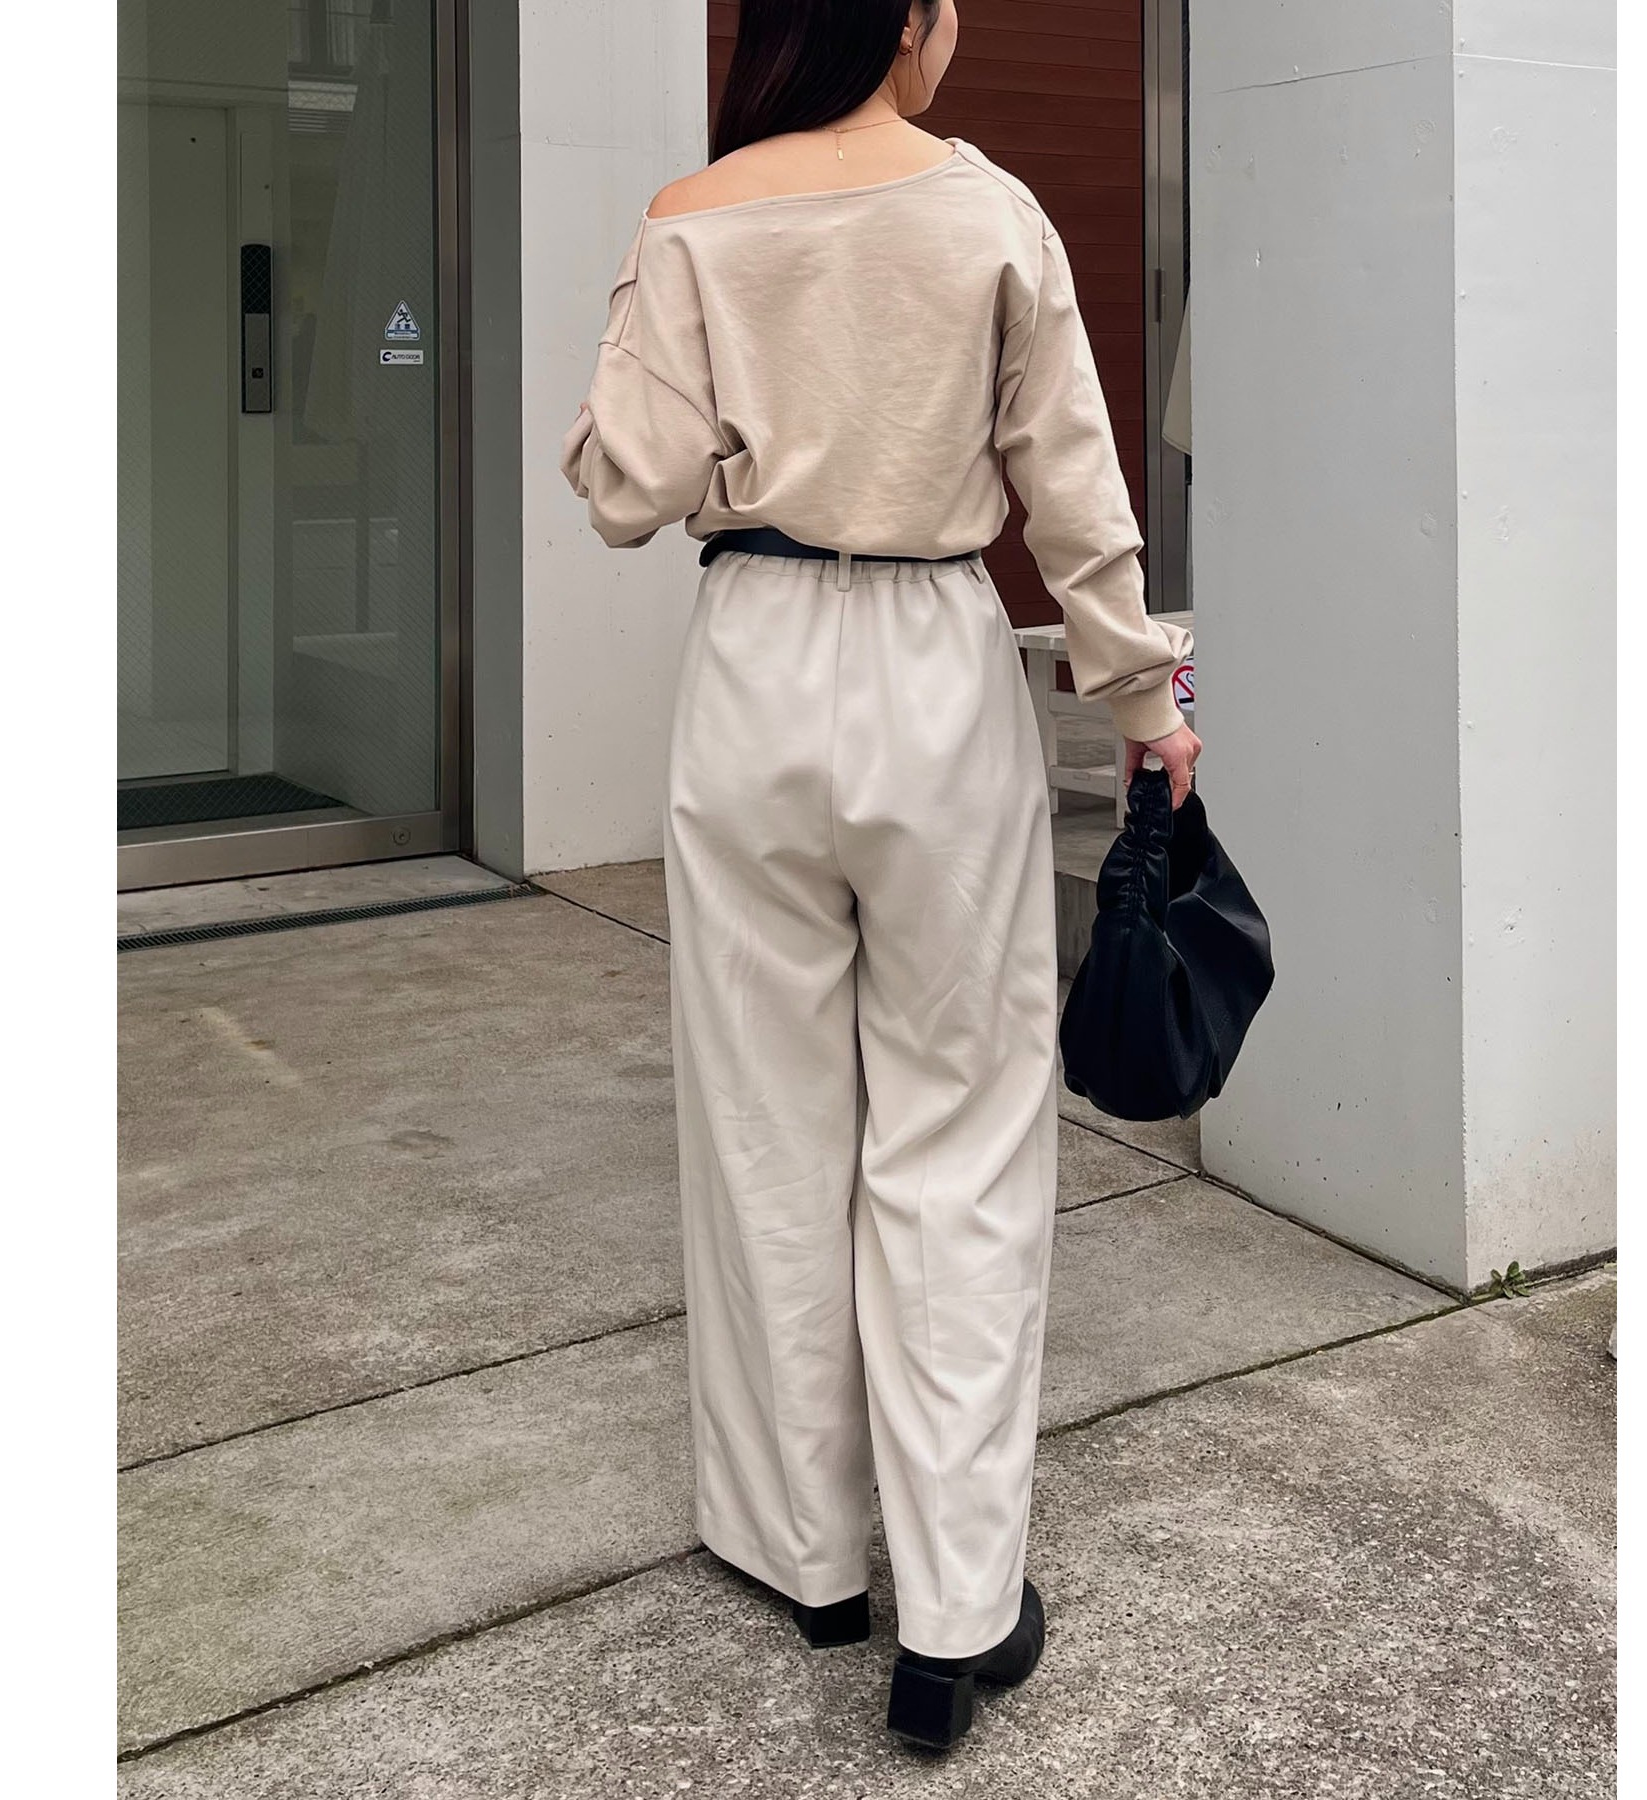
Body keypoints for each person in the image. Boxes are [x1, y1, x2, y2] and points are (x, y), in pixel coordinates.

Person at [560, 0, 1198, 1751]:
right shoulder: (991, 211)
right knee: (961, 1130)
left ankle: (802, 1557)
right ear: (908, 19)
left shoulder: (691, 215)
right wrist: (1146, 706)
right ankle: (957, 1612)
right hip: (933, 657)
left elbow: (624, 490)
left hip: (754, 658)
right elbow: (1074, 492)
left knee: (765, 1118)